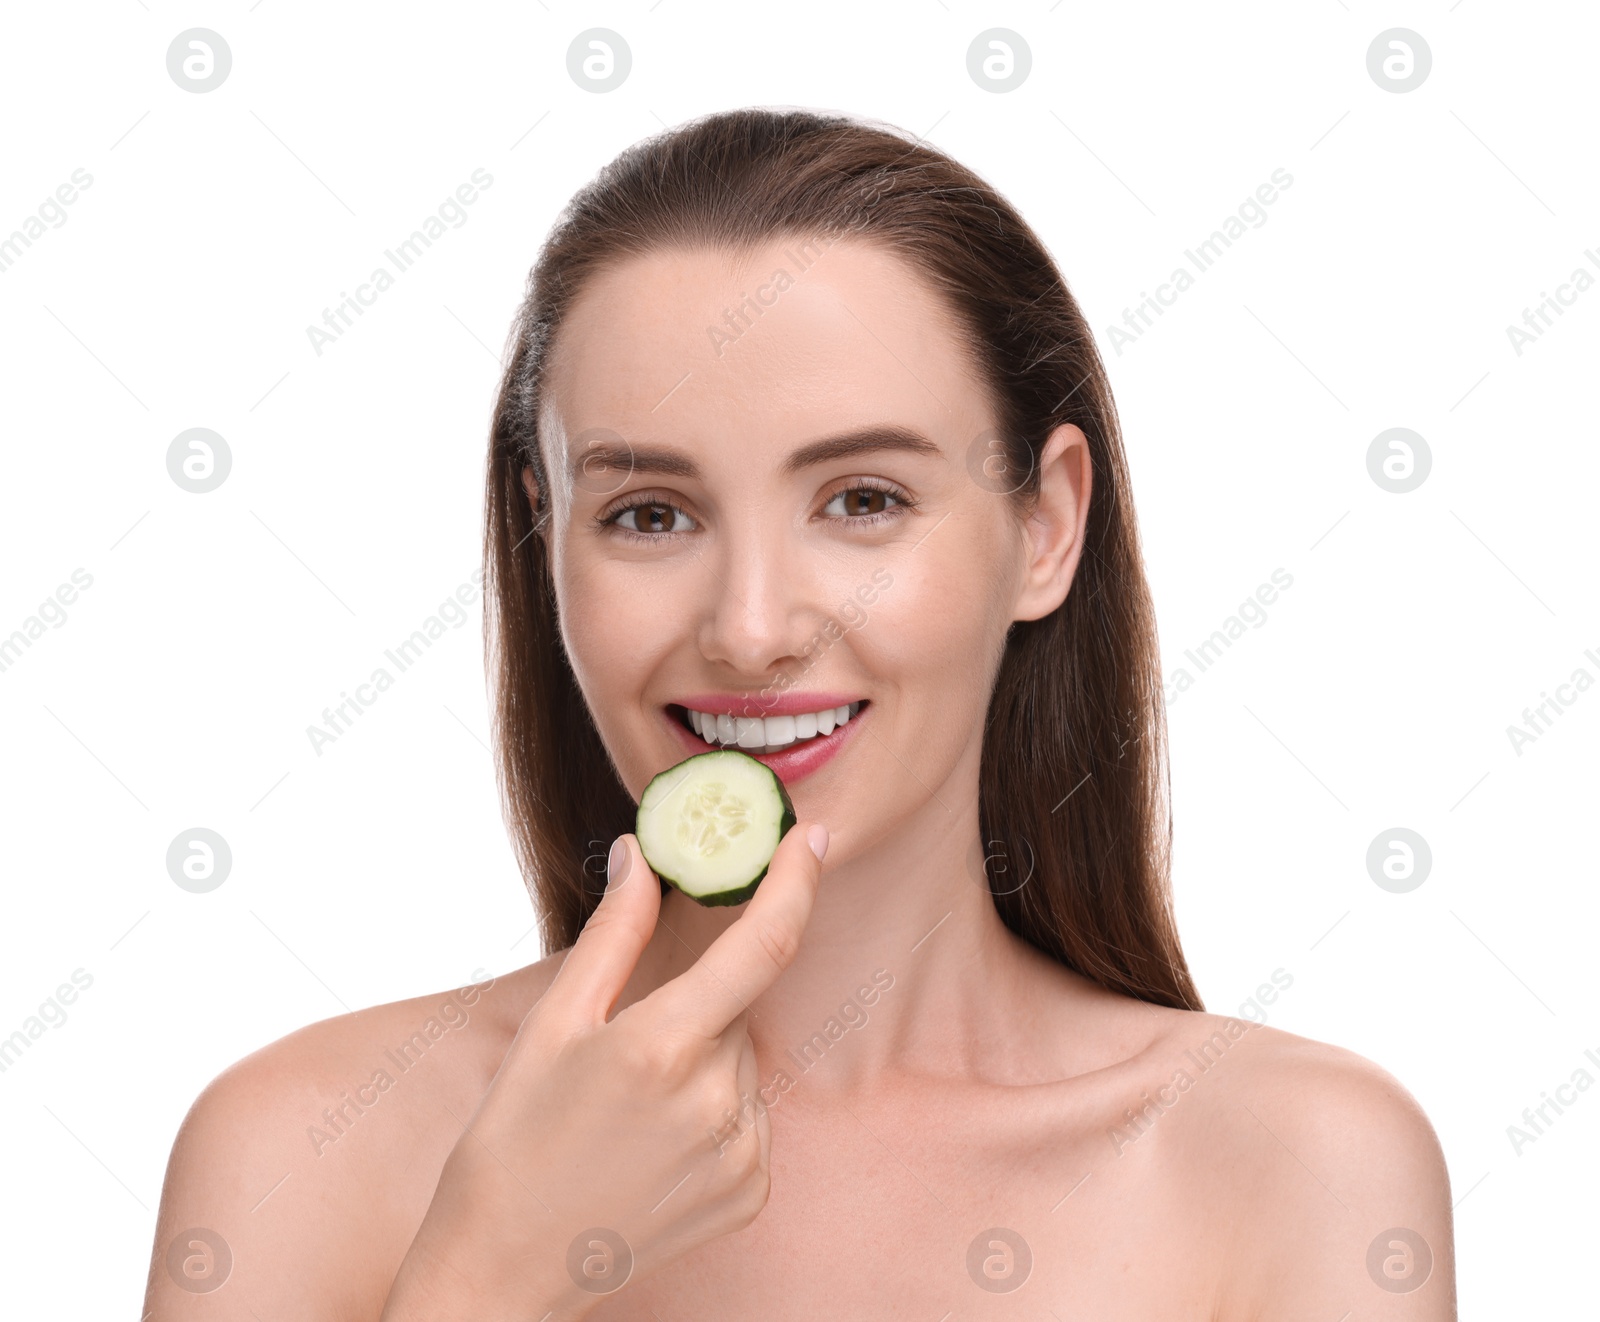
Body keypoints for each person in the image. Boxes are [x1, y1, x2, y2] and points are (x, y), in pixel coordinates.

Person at [144, 108, 1455, 1319]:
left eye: (862, 500)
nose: (755, 626)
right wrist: (495, 1264)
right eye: (649, 514)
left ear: (1043, 527)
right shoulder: (296, 1147)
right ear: (547, 544)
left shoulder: (1298, 1166)